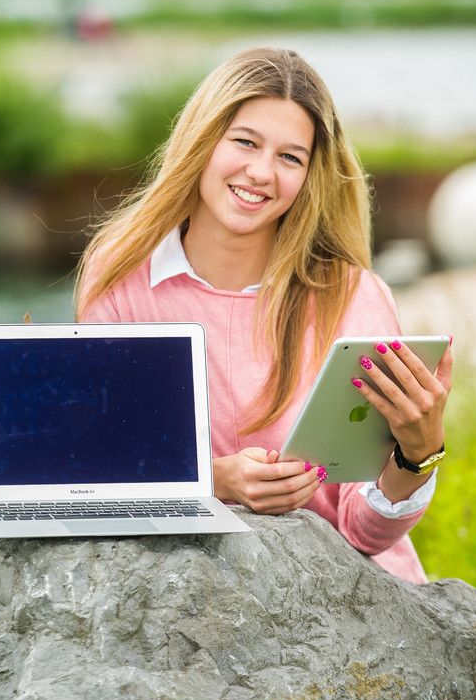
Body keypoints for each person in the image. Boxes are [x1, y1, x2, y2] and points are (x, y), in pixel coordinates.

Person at [75, 46, 452, 583]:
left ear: (310, 176)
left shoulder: (353, 295)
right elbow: (100, 472)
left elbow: (365, 532)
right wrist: (215, 481)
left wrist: (418, 455)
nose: (260, 173)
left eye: (290, 157)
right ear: (202, 143)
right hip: (194, 597)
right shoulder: (120, 281)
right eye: (245, 142)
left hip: (351, 602)